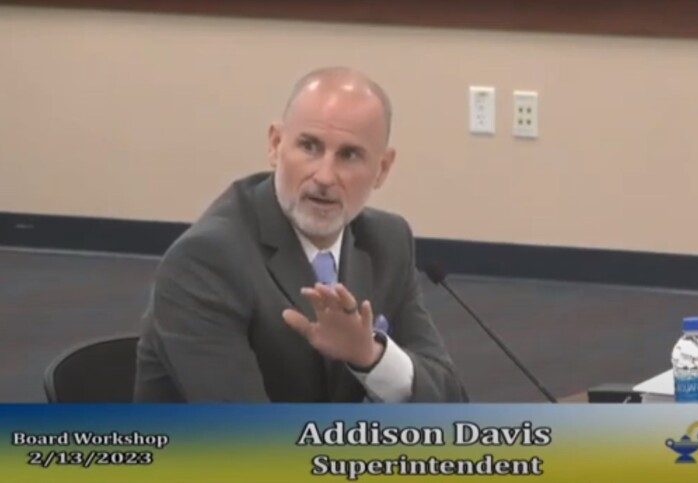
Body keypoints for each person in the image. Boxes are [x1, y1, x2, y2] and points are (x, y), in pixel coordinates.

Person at [134, 67, 468, 403]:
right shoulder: (207, 259)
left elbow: (450, 402)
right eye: (309, 147)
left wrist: (372, 357)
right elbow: (244, 439)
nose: (324, 176)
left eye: (349, 155)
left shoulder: (387, 240)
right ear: (276, 145)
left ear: (382, 169)